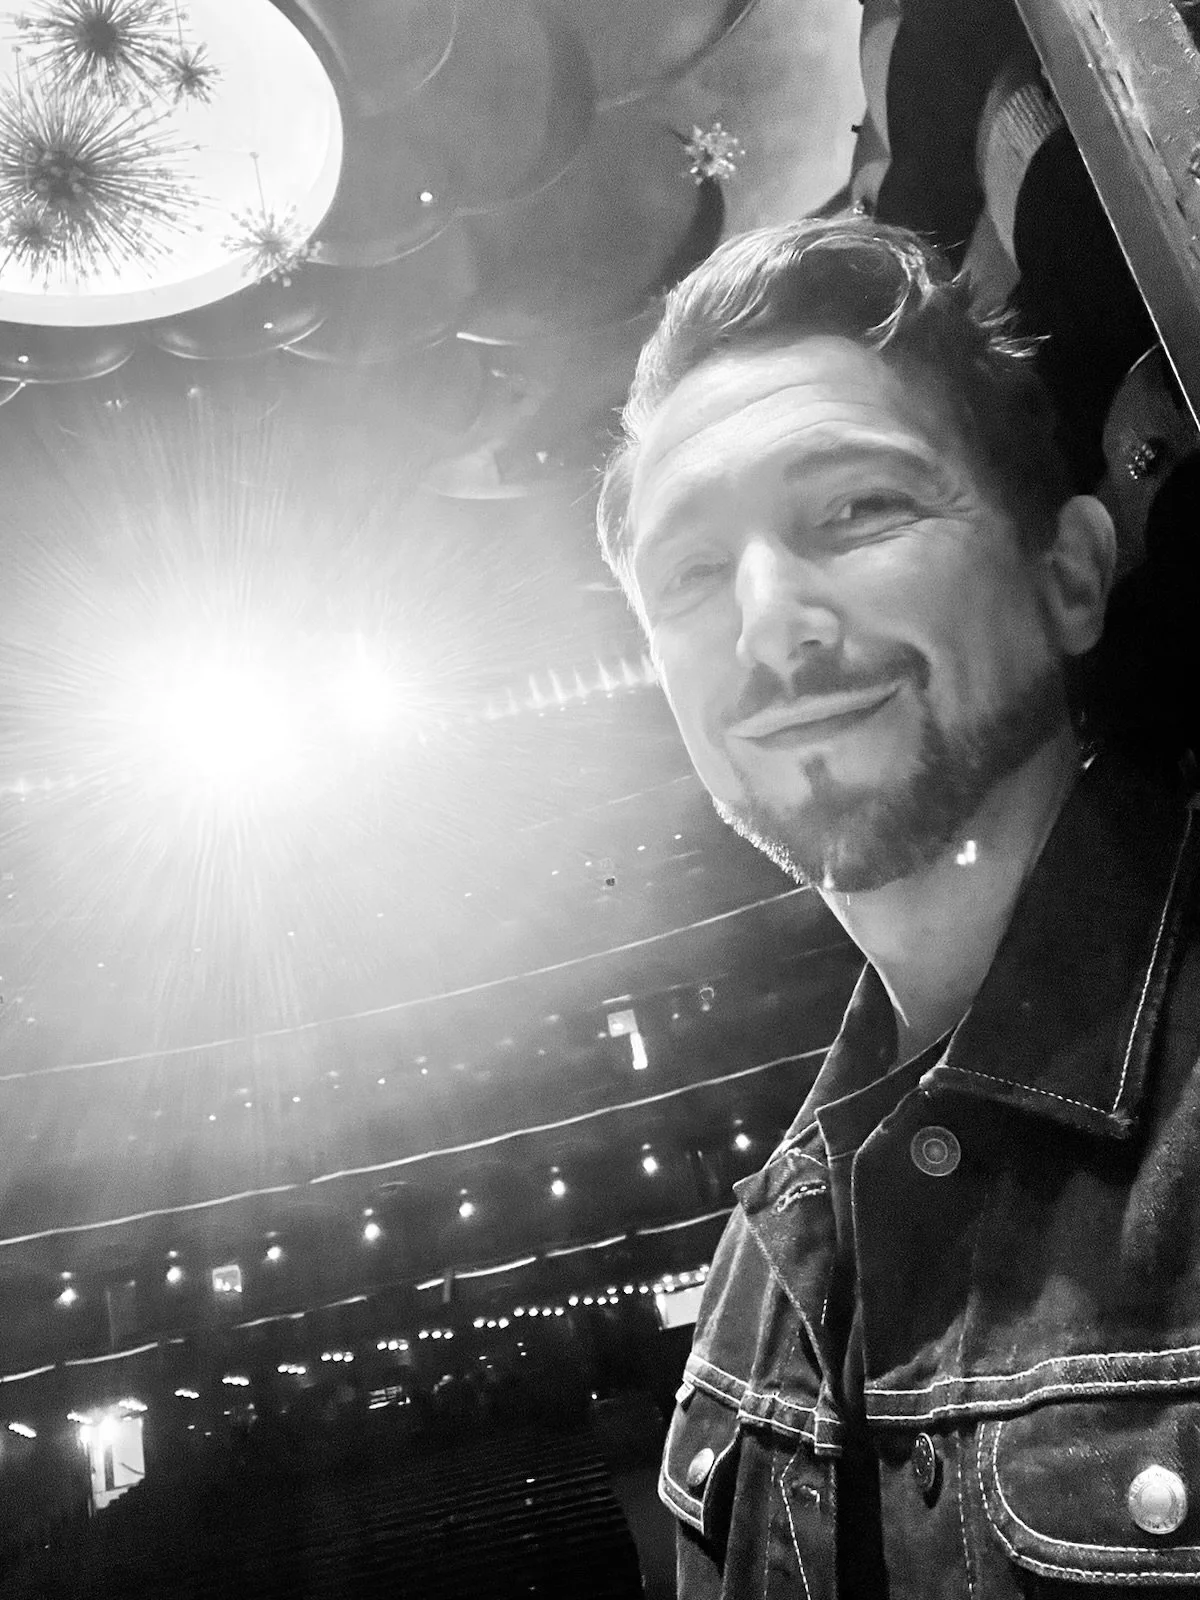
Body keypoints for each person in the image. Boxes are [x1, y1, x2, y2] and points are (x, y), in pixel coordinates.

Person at [595, 215, 1200, 1598]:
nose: (769, 626)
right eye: (691, 576)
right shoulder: (764, 1252)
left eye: (858, 508)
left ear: (1070, 576)